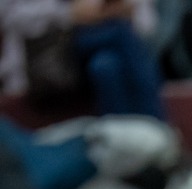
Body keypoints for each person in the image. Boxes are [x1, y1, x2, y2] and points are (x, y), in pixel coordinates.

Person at [0, 0, 165, 120]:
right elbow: (10, 16)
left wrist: (118, 10)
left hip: (106, 54)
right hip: (54, 58)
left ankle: (128, 148)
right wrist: (69, 14)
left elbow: (148, 27)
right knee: (121, 35)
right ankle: (159, 129)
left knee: (105, 66)